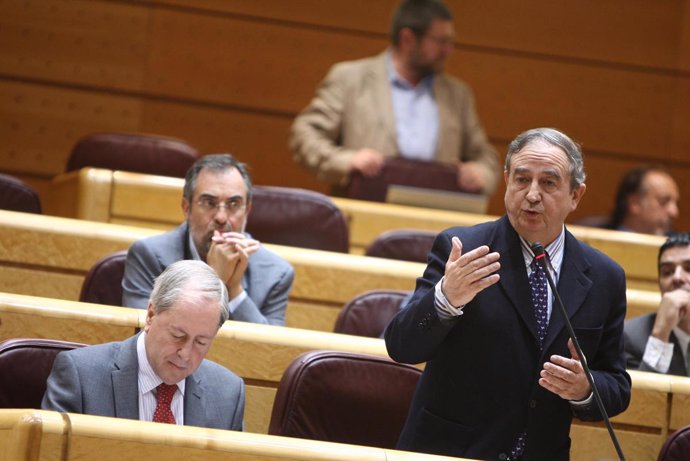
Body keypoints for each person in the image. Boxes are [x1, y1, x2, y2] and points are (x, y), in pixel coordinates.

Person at [384, 127, 631, 460]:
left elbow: (616, 385)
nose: (531, 194)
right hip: (452, 452)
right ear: (506, 181)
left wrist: (585, 389)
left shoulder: (604, 277)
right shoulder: (463, 249)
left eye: (548, 182)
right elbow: (401, 346)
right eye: (521, 179)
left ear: (576, 195)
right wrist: (446, 298)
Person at [289, 0, 499, 196]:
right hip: (363, 208)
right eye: (441, 41)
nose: (448, 50)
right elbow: (305, 134)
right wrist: (347, 161)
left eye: (450, 41)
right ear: (407, 39)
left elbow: (485, 157)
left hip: (434, 219)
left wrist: (480, 172)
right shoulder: (351, 80)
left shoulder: (458, 95)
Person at [42, 260, 245, 430]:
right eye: (178, 335)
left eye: (201, 342)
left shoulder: (227, 394)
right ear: (150, 315)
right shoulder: (81, 377)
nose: (185, 353)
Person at [122, 153, 294, 325]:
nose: (221, 217)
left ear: (247, 210)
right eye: (209, 202)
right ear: (186, 208)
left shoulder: (276, 273)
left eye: (233, 204)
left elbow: (268, 350)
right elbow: (147, 334)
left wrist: (234, 289)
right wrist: (214, 279)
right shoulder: (149, 255)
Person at [624, 233, 690, 375]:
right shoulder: (633, 336)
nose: (677, 277)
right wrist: (660, 336)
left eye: (689, 269)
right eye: (667, 272)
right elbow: (641, 397)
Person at [608, 166, 679, 235]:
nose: (674, 212)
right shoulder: (599, 243)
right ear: (634, 203)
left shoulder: (679, 245)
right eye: (663, 201)